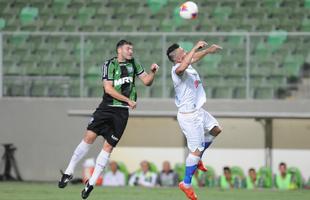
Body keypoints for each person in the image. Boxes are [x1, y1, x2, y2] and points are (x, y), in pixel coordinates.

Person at [58, 40, 159, 199]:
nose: (131, 51)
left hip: (121, 113)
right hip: (107, 107)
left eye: (132, 48)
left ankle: (91, 183)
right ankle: (69, 171)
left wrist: (153, 72)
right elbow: (108, 89)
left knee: (108, 147)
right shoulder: (109, 64)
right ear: (120, 50)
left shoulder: (134, 63)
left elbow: (146, 81)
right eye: (128, 48)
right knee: (89, 137)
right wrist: (128, 100)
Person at [166, 41, 222, 200]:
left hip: (198, 111)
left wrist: (207, 51)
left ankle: (197, 159)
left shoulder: (187, 63)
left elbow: (192, 59)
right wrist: (196, 47)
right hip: (189, 116)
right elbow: (183, 65)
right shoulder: (177, 70)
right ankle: (186, 183)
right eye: (183, 52)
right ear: (177, 58)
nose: (187, 52)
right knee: (195, 152)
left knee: (216, 130)